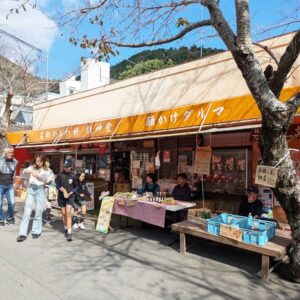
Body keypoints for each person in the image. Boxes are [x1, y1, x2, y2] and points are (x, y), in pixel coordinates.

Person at [17, 155, 50, 242]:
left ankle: (36, 231)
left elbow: (46, 180)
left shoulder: (46, 170)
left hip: (40, 190)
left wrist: (38, 175)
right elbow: (24, 171)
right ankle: (22, 233)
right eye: (37, 161)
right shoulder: (32, 167)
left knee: (38, 212)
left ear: (43, 161)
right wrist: (27, 171)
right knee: (27, 212)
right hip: (31, 189)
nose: (38, 163)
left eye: (40, 161)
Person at [56, 159, 78, 241]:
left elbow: (76, 187)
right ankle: (65, 228)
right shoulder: (60, 175)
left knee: (68, 213)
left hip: (70, 196)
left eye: (67, 167)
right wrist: (62, 190)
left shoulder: (73, 176)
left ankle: (69, 232)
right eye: (64, 167)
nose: (65, 168)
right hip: (61, 196)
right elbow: (57, 185)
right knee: (63, 213)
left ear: (71, 167)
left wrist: (71, 192)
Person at [0, 146, 18, 226]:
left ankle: (9, 218)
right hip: (1, 185)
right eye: (10, 152)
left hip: (10, 185)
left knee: (12, 202)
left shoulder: (15, 161)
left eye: (12, 152)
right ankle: (1, 219)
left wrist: (14, 183)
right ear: (5, 153)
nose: (11, 154)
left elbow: (14, 174)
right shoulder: (0, 160)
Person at [43, 158, 55, 223]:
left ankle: (47, 216)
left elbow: (51, 180)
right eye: (47, 162)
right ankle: (46, 216)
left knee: (48, 203)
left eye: (48, 162)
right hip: (43, 188)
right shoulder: (41, 170)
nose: (48, 164)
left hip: (49, 188)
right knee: (46, 203)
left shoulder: (50, 171)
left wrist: (52, 186)